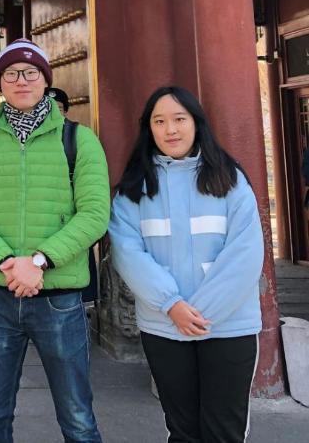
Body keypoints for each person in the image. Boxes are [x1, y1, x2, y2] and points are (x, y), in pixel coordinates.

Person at [0, 38, 110, 443]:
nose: (21, 80)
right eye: (11, 73)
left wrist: (38, 261)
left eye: (31, 72)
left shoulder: (79, 140)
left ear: (45, 79)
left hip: (59, 297)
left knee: (78, 418)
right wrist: (7, 261)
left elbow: (94, 214)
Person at [108, 86, 264, 443]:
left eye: (179, 119)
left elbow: (245, 254)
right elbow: (128, 253)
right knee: (182, 431)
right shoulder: (134, 188)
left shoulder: (230, 180)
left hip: (229, 327)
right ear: (148, 128)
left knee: (224, 431)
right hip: (165, 327)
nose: (170, 130)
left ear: (196, 123)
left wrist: (200, 314)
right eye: (159, 121)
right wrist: (172, 305)